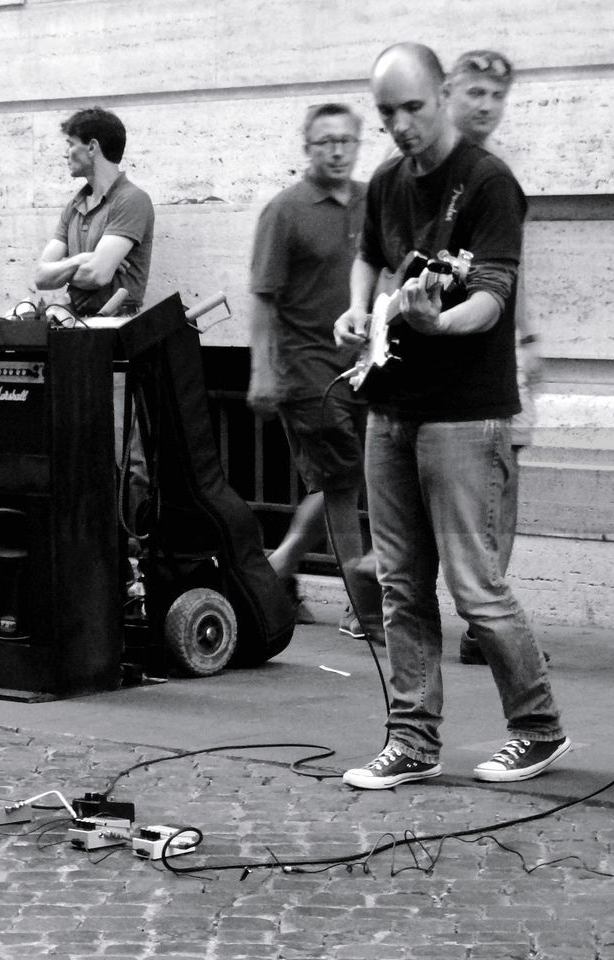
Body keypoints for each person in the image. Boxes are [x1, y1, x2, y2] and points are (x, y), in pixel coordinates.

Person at [335, 43, 568, 789]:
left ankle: (538, 727)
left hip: (467, 415)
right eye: (387, 115)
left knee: (475, 587)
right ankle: (412, 739)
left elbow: (492, 298)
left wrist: (442, 322)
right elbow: (370, 258)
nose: (400, 126)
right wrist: (357, 308)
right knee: (402, 585)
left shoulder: (490, 183)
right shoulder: (384, 181)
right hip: (391, 404)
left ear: (440, 96)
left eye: (412, 108)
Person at [247, 103, 382, 642]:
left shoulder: (375, 201)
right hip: (308, 372)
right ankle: (367, 613)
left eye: (346, 140)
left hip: (371, 367)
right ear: (307, 147)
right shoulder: (285, 210)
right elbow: (262, 297)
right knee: (343, 484)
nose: (336, 150)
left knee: (347, 482)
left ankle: (274, 569)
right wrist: (261, 370)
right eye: (325, 141)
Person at [445, 49, 539, 666]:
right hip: (454, 360)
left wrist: (528, 344)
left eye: (496, 96)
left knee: (500, 493)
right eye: (474, 92)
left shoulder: (497, 174)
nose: (485, 105)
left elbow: (513, 272)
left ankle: (484, 623)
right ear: (450, 91)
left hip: (503, 357)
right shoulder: (437, 172)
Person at [34, 107, 155, 317]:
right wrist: (80, 260)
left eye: (71, 145)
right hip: (73, 322)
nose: (65, 154)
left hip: (114, 326)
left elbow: (97, 275)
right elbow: (40, 277)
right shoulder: (74, 206)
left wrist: (63, 269)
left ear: (92, 147)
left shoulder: (131, 199)